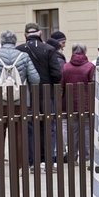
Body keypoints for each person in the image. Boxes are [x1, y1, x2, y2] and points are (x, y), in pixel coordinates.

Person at [0, 30, 41, 167]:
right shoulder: (23, 56)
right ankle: (19, 165)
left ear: (2, 42)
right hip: (20, 99)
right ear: (15, 41)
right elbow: (35, 79)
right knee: (19, 132)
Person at [18, 22, 63, 167]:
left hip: (26, 93)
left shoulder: (19, 50)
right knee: (49, 125)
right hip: (46, 92)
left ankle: (31, 159)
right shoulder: (49, 49)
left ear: (25, 35)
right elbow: (56, 74)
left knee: (29, 125)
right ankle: (48, 158)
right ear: (40, 33)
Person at [60, 43, 96, 165]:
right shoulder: (90, 67)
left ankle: (72, 157)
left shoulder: (65, 67)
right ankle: (86, 157)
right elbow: (94, 85)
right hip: (86, 105)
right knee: (86, 130)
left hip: (70, 105)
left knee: (72, 131)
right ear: (85, 52)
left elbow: (61, 87)